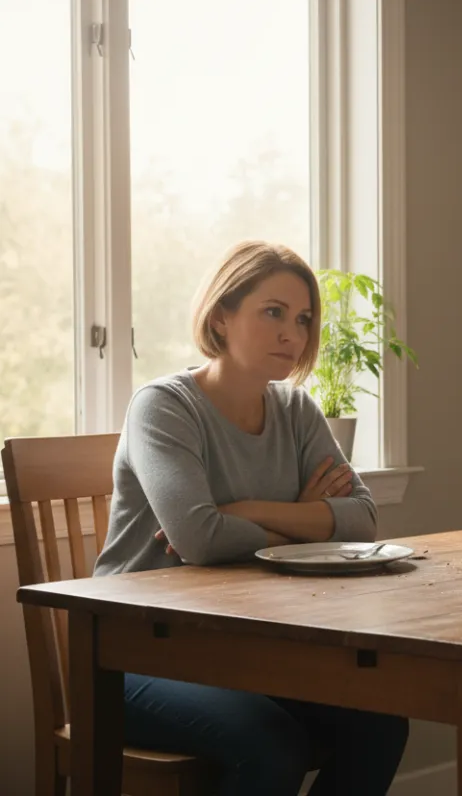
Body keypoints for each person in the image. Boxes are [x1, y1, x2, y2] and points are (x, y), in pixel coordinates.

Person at [93, 241, 409, 796]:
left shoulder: (295, 409)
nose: (294, 333)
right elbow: (199, 540)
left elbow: (361, 520)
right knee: (270, 744)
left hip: (236, 648)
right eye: (273, 312)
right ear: (221, 316)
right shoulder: (163, 407)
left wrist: (245, 513)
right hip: (133, 651)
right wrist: (306, 516)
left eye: (304, 318)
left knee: (380, 724)